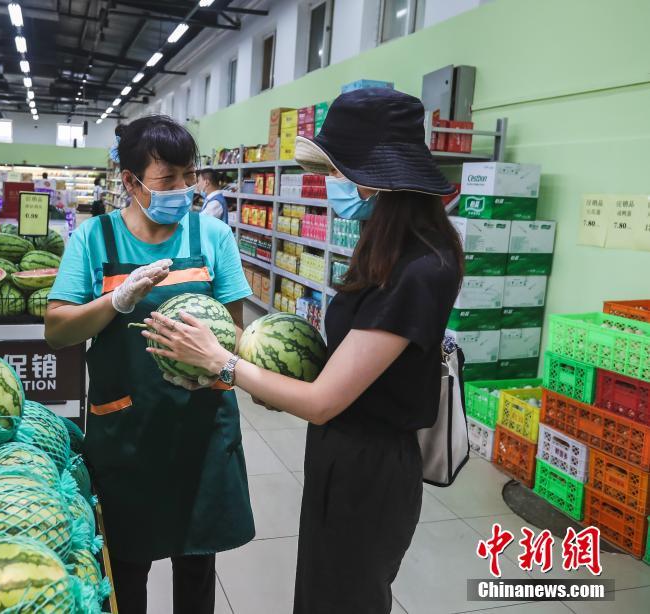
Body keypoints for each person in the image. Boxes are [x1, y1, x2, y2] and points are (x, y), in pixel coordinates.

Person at [137, 89, 464, 614]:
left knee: (346, 598)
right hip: (342, 450)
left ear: (379, 177)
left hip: (371, 464)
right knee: (321, 593)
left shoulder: (421, 269)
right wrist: (270, 375)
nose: (331, 184)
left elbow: (323, 400)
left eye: (339, 171)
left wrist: (222, 361)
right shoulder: (386, 249)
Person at [44, 115, 254, 614]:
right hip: (127, 430)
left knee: (198, 562)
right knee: (125, 567)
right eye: (167, 179)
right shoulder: (94, 239)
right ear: (130, 182)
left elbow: (235, 334)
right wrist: (116, 301)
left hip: (203, 427)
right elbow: (57, 331)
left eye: (188, 175)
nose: (181, 189)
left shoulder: (212, 236)